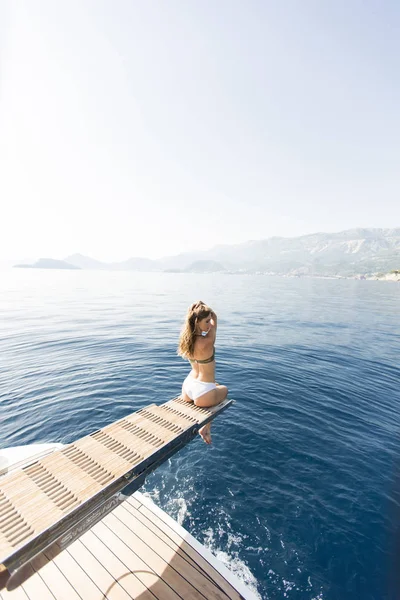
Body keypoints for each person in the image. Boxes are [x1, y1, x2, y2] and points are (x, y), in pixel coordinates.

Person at [177, 301, 228, 444]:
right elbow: (215, 320)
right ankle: (206, 427)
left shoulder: (186, 340)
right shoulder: (208, 340)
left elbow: (209, 320)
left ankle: (205, 421)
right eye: (206, 321)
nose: (209, 324)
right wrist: (208, 310)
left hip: (187, 388)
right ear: (197, 322)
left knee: (215, 385)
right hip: (203, 393)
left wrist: (199, 309)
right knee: (224, 390)